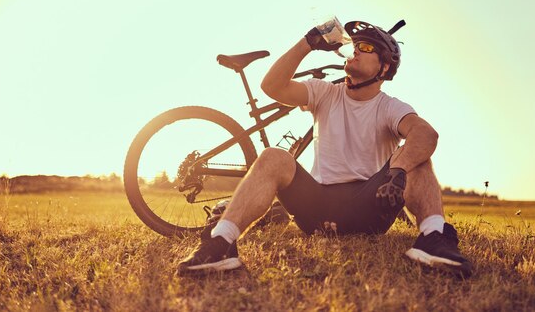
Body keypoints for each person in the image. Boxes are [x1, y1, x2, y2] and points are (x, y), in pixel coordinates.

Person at [177, 19, 473, 278]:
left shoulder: (390, 107)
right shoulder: (325, 93)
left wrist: (398, 169)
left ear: (383, 67)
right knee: (274, 157)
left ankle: (434, 239)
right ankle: (221, 243)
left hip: (369, 208)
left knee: (417, 157)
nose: (356, 49)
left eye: (367, 48)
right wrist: (307, 44)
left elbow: (425, 134)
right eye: (356, 45)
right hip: (316, 207)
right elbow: (273, 87)